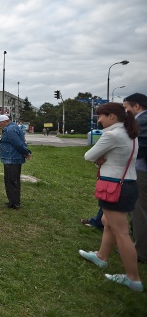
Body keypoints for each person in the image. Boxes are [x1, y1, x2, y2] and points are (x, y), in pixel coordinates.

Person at [79, 102, 142, 292]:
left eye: (101, 116)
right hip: (128, 183)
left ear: (112, 116)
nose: (99, 120)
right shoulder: (129, 132)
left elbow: (88, 155)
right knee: (107, 222)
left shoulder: (112, 134)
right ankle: (101, 256)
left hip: (114, 186)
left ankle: (133, 278)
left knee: (121, 232)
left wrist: (98, 159)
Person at [123, 93, 147, 264]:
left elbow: (139, 147)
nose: (126, 112)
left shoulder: (143, 120)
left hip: (142, 172)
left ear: (137, 106)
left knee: (139, 212)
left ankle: (140, 251)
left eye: (127, 108)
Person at [0, 114, 31, 210]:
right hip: (11, 158)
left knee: (11, 181)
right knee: (11, 180)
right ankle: (13, 201)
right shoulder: (13, 127)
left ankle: (14, 203)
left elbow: (17, 143)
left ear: (5, 121)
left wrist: (26, 152)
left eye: (0, 123)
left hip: (12, 158)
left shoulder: (10, 129)